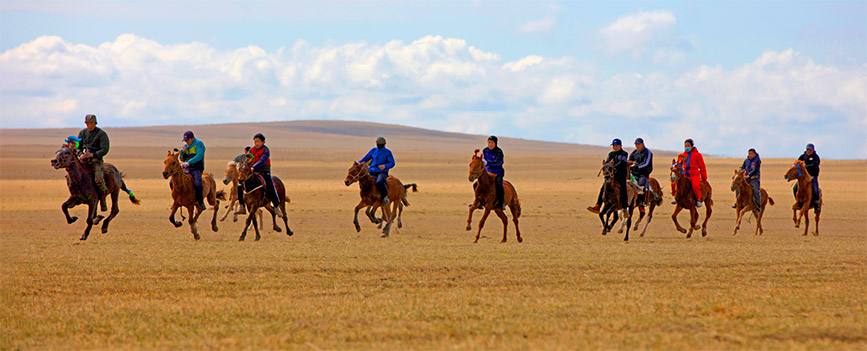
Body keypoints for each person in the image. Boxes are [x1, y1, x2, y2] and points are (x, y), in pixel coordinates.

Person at [76, 114, 111, 211]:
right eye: (87, 123)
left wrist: (93, 155)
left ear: (95, 123)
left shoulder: (101, 134)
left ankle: (103, 200)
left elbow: (105, 149)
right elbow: (78, 146)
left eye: (91, 123)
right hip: (84, 160)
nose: (89, 125)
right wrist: (80, 154)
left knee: (99, 180)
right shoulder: (82, 133)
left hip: (96, 161)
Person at [587, 138, 629, 214]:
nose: (614, 147)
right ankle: (598, 206)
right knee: (603, 188)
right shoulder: (611, 154)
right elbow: (607, 162)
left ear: (620, 146)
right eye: (613, 145)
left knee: (623, 189)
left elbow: (622, 162)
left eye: (616, 145)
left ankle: (625, 208)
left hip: (621, 176)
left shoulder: (624, 154)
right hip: (612, 176)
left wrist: (613, 167)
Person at [247, 133, 283, 217]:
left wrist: (253, 167)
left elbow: (262, 161)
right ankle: (241, 203)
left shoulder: (265, 150)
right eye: (255, 141)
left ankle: (276, 206)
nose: (256, 143)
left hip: (264, 171)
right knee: (241, 183)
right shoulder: (251, 150)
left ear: (263, 142)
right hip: (253, 171)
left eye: (258, 141)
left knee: (270, 186)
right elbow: (249, 159)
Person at [671, 139, 708, 207]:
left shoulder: (698, 155)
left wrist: (704, 177)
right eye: (685, 146)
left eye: (688, 145)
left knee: (695, 186)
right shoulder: (681, 155)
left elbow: (702, 166)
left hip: (694, 173)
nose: (686, 147)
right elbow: (679, 164)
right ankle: (676, 197)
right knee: (674, 184)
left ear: (692, 146)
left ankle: (698, 199)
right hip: (684, 173)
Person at [359, 136, 395, 205]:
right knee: (363, 181)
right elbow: (365, 158)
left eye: (381, 144)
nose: (379, 146)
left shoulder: (388, 152)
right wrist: (359, 163)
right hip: (371, 171)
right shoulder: (373, 150)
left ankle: (385, 197)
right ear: (376, 143)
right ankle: (366, 196)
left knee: (379, 182)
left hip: (382, 173)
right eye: (378, 144)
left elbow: (392, 163)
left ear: (384, 144)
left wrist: (385, 166)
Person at [179, 131, 206, 211]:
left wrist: (189, 162)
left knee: (197, 184)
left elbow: (199, 156)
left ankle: (200, 202)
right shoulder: (186, 146)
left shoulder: (199, 144)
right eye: (185, 140)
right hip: (187, 168)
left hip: (196, 168)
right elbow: (181, 159)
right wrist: (182, 152)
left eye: (187, 140)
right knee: (173, 182)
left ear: (192, 138)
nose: (186, 142)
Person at [628, 137, 657, 205]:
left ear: (642, 144)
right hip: (634, 172)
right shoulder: (634, 152)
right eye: (636, 144)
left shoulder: (648, 152)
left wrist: (637, 166)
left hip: (643, 173)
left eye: (638, 144)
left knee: (641, 184)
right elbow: (630, 160)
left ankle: (643, 200)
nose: (637, 146)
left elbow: (646, 163)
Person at [483, 135, 506, 210]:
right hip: (487, 173)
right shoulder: (485, 150)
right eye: (489, 142)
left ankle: (501, 203)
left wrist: (487, 163)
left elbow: (498, 163)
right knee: (476, 185)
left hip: (497, 173)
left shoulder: (499, 152)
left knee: (499, 186)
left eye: (492, 143)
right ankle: (479, 201)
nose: (490, 144)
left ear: (495, 143)